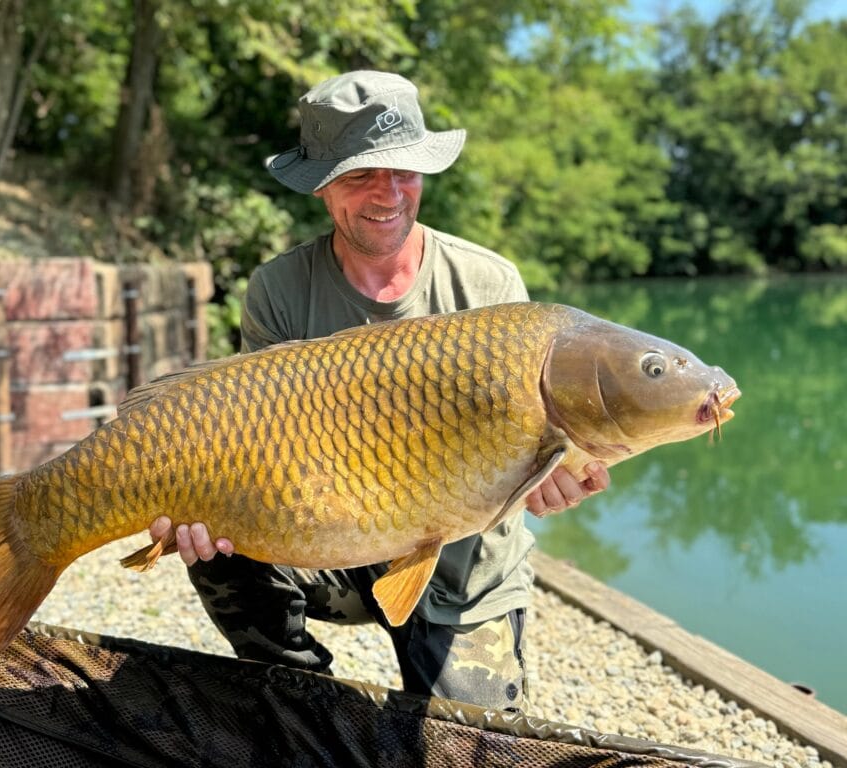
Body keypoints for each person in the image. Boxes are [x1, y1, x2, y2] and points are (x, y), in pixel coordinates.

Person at [148, 70, 609, 711]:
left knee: (470, 748)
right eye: (359, 174)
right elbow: (258, 452)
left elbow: (526, 459)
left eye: (404, 170)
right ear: (321, 185)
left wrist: (545, 484)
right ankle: (307, 705)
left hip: (459, 571)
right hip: (331, 547)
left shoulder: (489, 286)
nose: (387, 193)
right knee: (218, 546)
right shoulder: (279, 290)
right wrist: (206, 504)